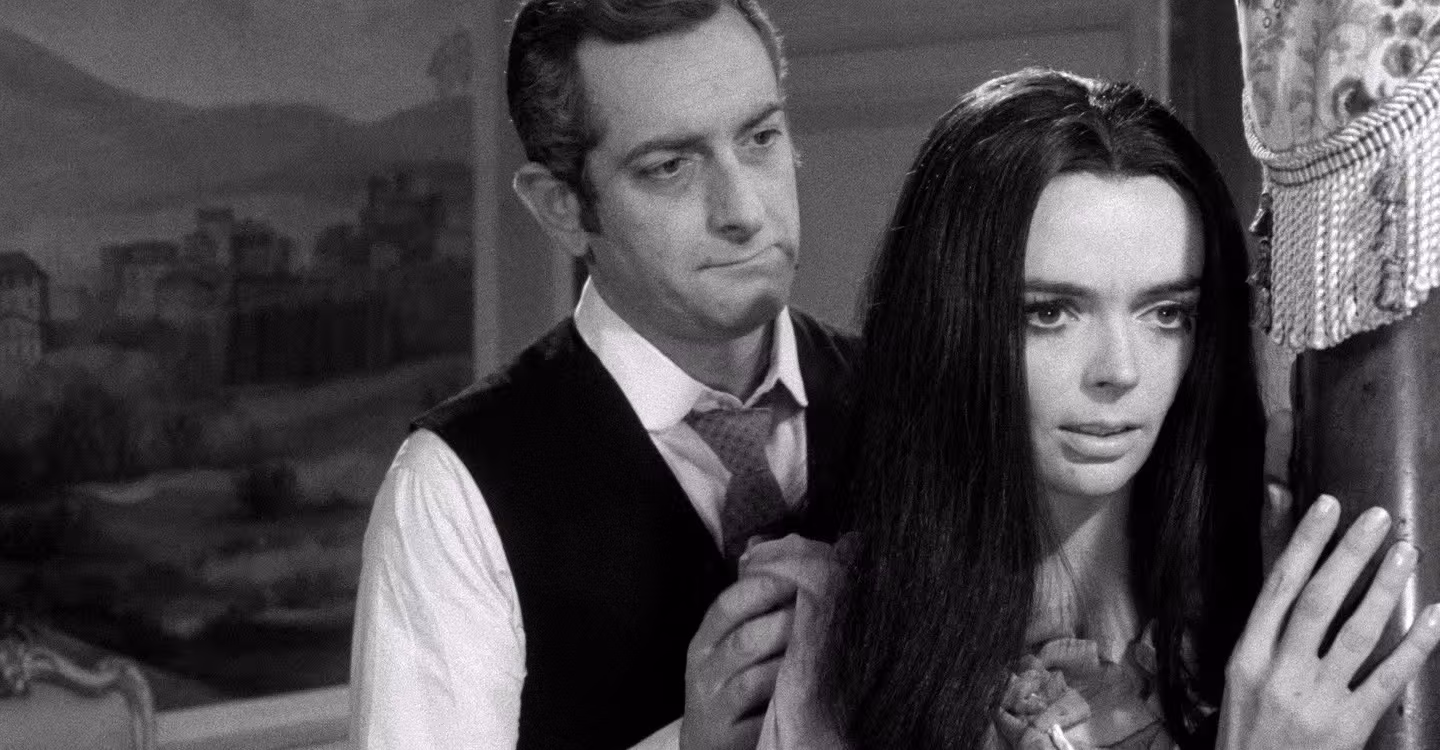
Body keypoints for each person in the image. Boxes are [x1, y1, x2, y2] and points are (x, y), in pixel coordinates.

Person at [753, 68, 1440, 749]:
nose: (1119, 371)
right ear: (947, 326)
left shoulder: (1272, 590)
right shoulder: (830, 637)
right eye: (1050, 313)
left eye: (1167, 313)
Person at [347, 1, 857, 749]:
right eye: (670, 167)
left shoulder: (923, 402)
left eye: (760, 137)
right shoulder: (453, 491)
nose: (744, 210)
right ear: (560, 208)